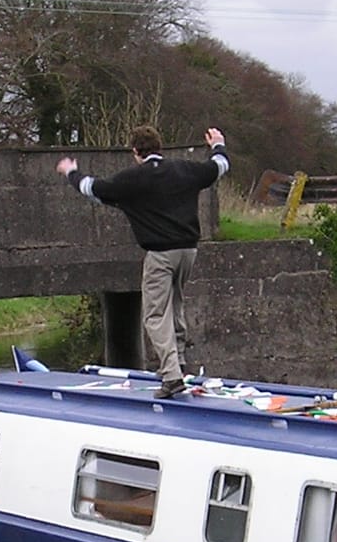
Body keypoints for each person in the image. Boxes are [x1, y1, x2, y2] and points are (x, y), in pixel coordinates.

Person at [57, 125, 228, 399]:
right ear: (159, 147)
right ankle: (179, 362)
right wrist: (218, 143)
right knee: (176, 305)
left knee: (155, 315)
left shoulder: (132, 180)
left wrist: (70, 171)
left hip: (160, 255)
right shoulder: (185, 170)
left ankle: (172, 377)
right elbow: (219, 165)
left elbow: (92, 188)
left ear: (136, 152)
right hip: (188, 250)